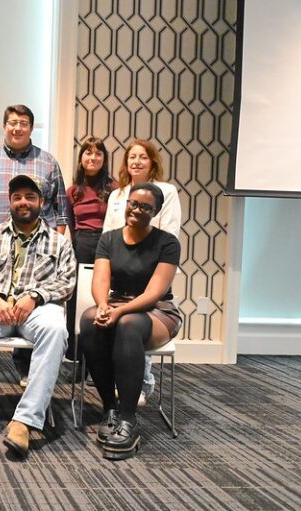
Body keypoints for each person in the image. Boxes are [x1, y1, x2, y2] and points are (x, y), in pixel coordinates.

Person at [0, 175, 75, 457]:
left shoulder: (59, 242)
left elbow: (67, 281)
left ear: (41, 202)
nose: (23, 202)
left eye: (30, 197)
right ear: (10, 202)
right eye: (18, 197)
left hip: (38, 310)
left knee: (56, 329)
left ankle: (25, 420)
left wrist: (34, 297)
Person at [0, 104, 69, 386]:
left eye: (23, 123)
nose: (17, 128)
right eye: (12, 122)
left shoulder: (48, 163)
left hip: (36, 249)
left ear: (31, 128)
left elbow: (60, 208)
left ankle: (26, 368)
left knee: (29, 311)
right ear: (4, 126)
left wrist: (56, 242)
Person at [79, 182, 182, 460]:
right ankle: (109, 409)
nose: (136, 210)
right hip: (118, 304)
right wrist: (102, 306)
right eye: (133, 204)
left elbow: (154, 292)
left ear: (156, 211)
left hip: (157, 310)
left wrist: (120, 312)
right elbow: (100, 280)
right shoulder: (109, 239)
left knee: (128, 325)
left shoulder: (167, 243)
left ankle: (128, 419)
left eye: (145, 207)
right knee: (89, 321)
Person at [102, 140, 182, 405]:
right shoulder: (117, 193)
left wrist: (145, 254)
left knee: (134, 320)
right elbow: (109, 233)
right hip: (122, 270)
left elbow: (169, 229)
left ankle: (141, 383)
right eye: (131, 157)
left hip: (152, 265)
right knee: (108, 319)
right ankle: (119, 384)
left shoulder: (166, 191)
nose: (136, 161)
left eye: (143, 157)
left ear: (152, 162)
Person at [65, 137, 117, 352]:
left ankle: (103, 352)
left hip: (107, 245)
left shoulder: (115, 189)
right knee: (77, 301)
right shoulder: (73, 191)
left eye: (98, 154)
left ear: (104, 159)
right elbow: (70, 224)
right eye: (88, 153)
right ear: (81, 158)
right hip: (81, 247)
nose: (93, 158)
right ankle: (76, 356)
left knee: (104, 298)